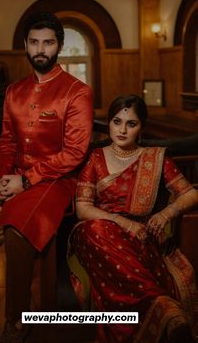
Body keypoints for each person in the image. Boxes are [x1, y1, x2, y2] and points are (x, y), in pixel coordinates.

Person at [0, 12, 93, 343]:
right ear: (25, 45)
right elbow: (6, 140)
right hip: (17, 179)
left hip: (55, 182)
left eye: (48, 42)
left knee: (17, 234)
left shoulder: (77, 92)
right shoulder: (13, 91)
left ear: (59, 46)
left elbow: (75, 152)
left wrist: (27, 179)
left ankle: (15, 324)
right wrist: (6, 178)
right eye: (34, 42)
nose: (40, 49)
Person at [68, 94, 198, 343]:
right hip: (100, 232)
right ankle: (161, 308)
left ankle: (159, 310)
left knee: (110, 239)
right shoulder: (95, 158)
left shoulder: (155, 157)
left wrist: (164, 213)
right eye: (117, 122)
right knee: (94, 229)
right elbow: (83, 208)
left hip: (140, 235)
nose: (122, 129)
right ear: (109, 123)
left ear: (142, 128)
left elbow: (191, 194)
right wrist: (122, 221)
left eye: (131, 123)